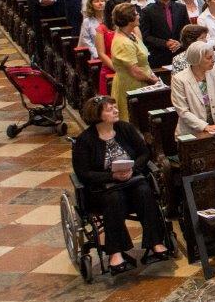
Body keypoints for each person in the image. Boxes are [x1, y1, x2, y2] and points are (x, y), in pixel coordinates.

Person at [71, 95, 171, 272]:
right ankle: (115, 252)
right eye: (110, 109)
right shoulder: (85, 141)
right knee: (114, 198)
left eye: (115, 107)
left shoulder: (125, 128)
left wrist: (134, 169)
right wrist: (112, 176)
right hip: (103, 190)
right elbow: (84, 173)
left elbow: (144, 153)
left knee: (144, 190)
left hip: (132, 181)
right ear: (97, 115)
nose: (116, 111)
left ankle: (155, 242)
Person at [170, 41, 215, 137]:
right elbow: (183, 111)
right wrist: (205, 126)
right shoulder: (179, 79)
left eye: (213, 56)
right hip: (191, 132)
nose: (213, 60)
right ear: (196, 60)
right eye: (209, 58)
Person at [109, 3, 157, 122]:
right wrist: (152, 81)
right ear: (128, 19)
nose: (139, 16)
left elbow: (143, 62)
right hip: (131, 85)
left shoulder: (131, 35)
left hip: (142, 83)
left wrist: (152, 75)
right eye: (136, 14)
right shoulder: (123, 42)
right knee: (132, 120)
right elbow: (135, 71)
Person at [140, 0, 189, 69]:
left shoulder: (181, 8)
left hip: (180, 53)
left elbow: (187, 31)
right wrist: (165, 43)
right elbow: (145, 36)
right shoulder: (147, 11)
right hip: (159, 55)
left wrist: (180, 43)